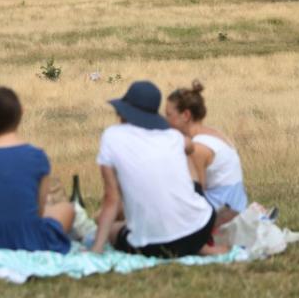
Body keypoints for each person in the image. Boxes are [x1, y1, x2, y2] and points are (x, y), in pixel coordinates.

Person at [91, 80, 228, 258]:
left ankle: (187, 239)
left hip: (153, 246)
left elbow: (112, 199)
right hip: (200, 228)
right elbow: (190, 147)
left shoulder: (111, 136)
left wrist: (97, 247)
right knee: (184, 154)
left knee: (113, 231)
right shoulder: (172, 136)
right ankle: (199, 243)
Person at [0, 87, 74, 253]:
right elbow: (38, 210)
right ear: (19, 115)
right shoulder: (37, 156)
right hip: (30, 239)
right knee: (66, 209)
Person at [164, 81, 249, 216]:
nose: (165, 120)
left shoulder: (197, 148)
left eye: (169, 115)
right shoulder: (215, 133)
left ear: (186, 115)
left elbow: (197, 194)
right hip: (237, 207)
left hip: (220, 214)